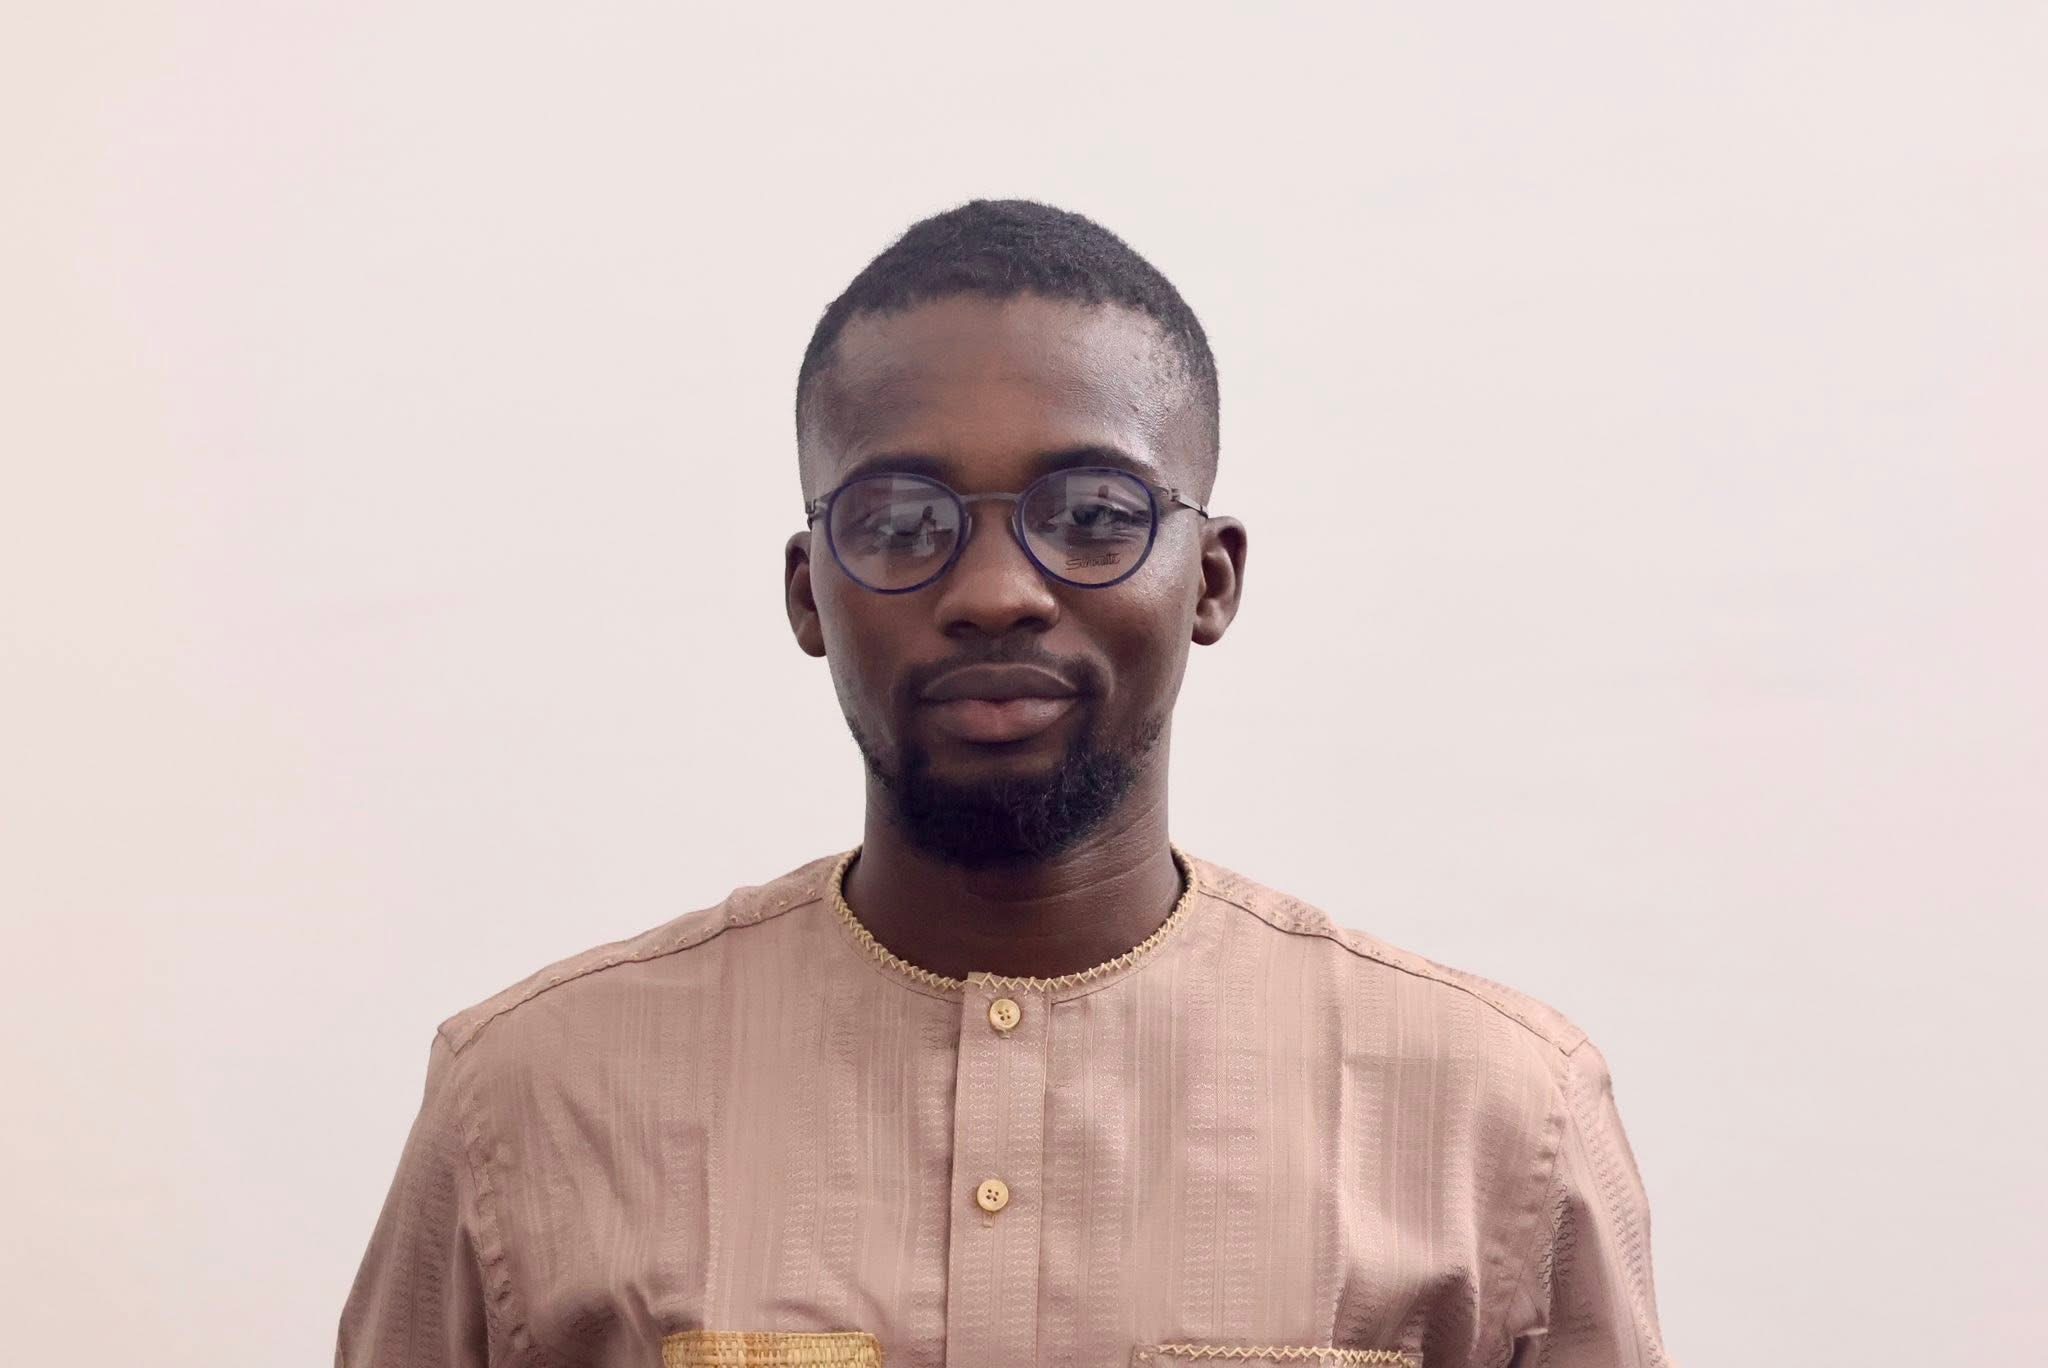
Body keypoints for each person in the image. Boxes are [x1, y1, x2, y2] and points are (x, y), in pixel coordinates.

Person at [338, 200, 1673, 1368]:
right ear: (809, 594)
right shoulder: (529, 1102)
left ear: (1211, 580)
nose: (994, 593)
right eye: (901, 523)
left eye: (1092, 516)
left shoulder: (1497, 1117)